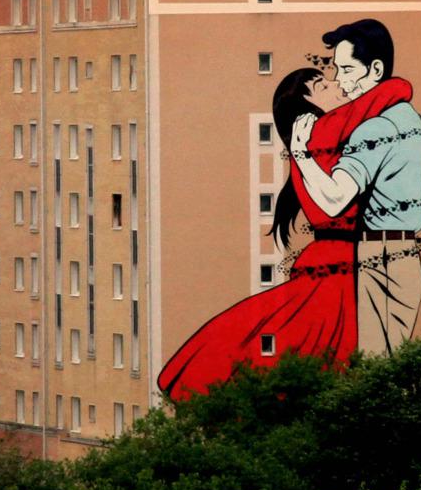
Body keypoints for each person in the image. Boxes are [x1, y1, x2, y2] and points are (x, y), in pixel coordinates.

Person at [156, 64, 406, 399]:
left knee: (322, 349)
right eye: (321, 84)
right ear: (308, 105)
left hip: (338, 257)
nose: (334, 85)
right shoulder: (324, 134)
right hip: (341, 261)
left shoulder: (318, 138)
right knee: (337, 353)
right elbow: (395, 91)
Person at [286, 19, 421, 356]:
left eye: (348, 69)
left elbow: (335, 198)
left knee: (375, 364)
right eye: (336, 69)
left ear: (375, 69)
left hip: (380, 254)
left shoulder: (375, 128)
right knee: (391, 361)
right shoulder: (406, 116)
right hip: (403, 253)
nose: (340, 81)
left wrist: (301, 153)